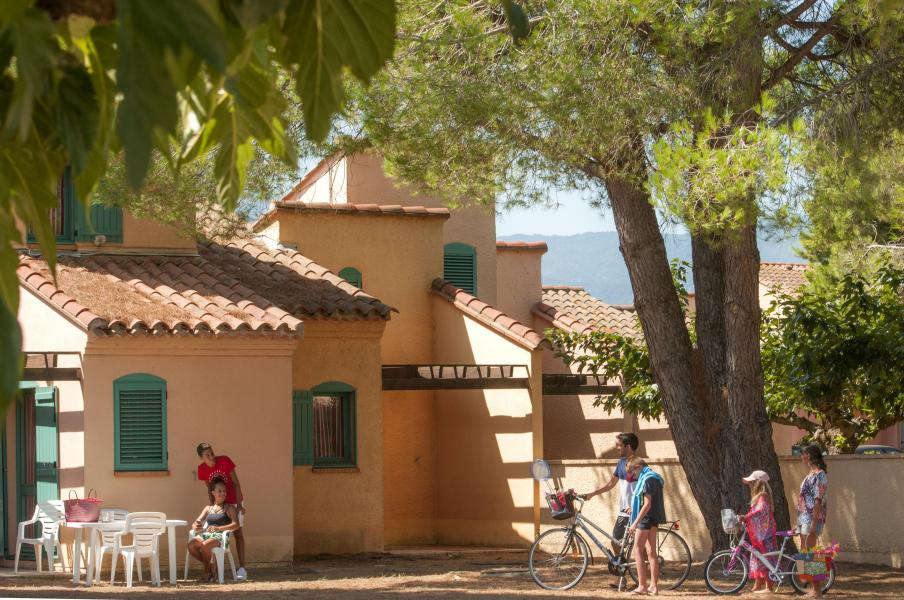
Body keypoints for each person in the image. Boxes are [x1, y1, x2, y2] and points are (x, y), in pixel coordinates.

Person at [579, 432, 638, 556]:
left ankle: (648, 573)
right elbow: (610, 484)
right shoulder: (621, 463)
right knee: (615, 542)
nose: (617, 448)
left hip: (635, 511)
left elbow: (644, 488)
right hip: (624, 511)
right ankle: (621, 566)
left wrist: (635, 506)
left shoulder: (638, 464)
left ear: (628, 447)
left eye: (619, 445)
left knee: (639, 545)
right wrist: (592, 494)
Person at [197, 442, 247, 580]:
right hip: (218, 502)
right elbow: (209, 488)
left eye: (212, 453)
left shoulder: (224, 460)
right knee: (218, 531)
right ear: (202, 458)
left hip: (234, 501)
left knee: (237, 532)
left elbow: (236, 483)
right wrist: (212, 505)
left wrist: (239, 505)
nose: (212, 456)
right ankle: (214, 567)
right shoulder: (202, 469)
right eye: (207, 455)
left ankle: (242, 568)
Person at [626, 456, 666, 596]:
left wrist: (635, 523)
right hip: (653, 518)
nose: (634, 476)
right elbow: (648, 502)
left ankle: (642, 586)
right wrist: (634, 509)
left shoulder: (647, 479)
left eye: (633, 472)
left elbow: (647, 504)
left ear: (638, 467)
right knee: (651, 553)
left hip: (645, 520)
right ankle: (654, 587)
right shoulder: (654, 477)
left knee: (637, 549)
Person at [187, 477, 240, 583]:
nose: (223, 493)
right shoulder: (208, 508)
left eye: (224, 491)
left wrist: (218, 528)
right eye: (219, 491)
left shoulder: (229, 508)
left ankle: (206, 573)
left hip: (220, 537)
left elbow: (236, 525)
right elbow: (197, 521)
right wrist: (195, 525)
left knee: (205, 545)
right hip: (206, 534)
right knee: (191, 545)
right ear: (213, 493)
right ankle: (212, 568)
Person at [738, 470, 777, 594]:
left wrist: (747, 516)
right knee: (757, 558)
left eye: (751, 482)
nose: (749, 485)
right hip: (760, 533)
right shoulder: (759, 496)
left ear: (757, 483)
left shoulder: (763, 495)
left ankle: (768, 586)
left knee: (765, 558)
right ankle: (758, 584)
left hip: (765, 534)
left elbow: (761, 510)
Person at [797, 444, 828, 598]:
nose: (801, 457)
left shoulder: (820, 475)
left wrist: (814, 524)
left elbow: (818, 500)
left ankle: (817, 592)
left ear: (809, 456)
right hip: (805, 518)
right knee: (806, 555)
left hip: (812, 519)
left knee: (811, 554)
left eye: (802, 454)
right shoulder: (810, 474)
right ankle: (812, 589)